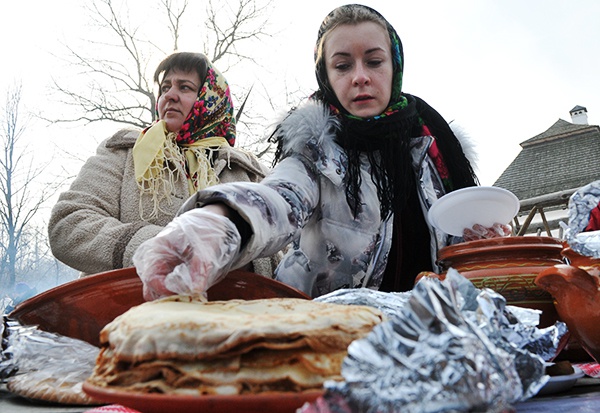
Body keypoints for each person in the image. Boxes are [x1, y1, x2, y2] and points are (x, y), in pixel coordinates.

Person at [133, 4, 500, 301]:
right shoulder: (316, 150)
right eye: (342, 65)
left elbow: (454, 251)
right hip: (326, 345)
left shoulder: (434, 151)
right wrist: (220, 221)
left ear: (394, 67)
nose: (360, 76)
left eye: (373, 61)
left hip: (427, 345)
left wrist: (482, 245)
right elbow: (279, 198)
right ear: (325, 75)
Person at [48, 52, 277, 278]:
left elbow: (288, 249)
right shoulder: (124, 152)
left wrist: (231, 253)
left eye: (184, 87)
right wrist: (166, 248)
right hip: (129, 308)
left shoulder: (249, 173)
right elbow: (69, 223)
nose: (170, 95)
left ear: (211, 100)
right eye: (165, 88)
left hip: (231, 310)